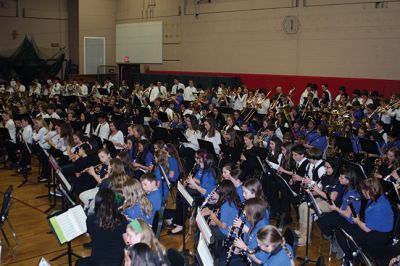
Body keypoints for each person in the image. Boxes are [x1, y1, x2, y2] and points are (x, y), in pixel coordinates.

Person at [76, 188, 128, 266]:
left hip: (97, 260)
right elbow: (127, 241)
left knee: (79, 263)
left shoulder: (90, 219)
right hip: (117, 261)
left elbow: (93, 236)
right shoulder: (121, 219)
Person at [170, 150, 217, 234]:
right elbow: (200, 184)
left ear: (207, 162)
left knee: (182, 199)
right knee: (181, 194)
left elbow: (205, 193)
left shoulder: (209, 174)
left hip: (205, 199)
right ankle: (177, 221)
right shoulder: (203, 169)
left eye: (201, 162)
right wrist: (190, 184)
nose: (199, 163)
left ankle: (180, 225)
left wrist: (193, 184)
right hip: (200, 193)